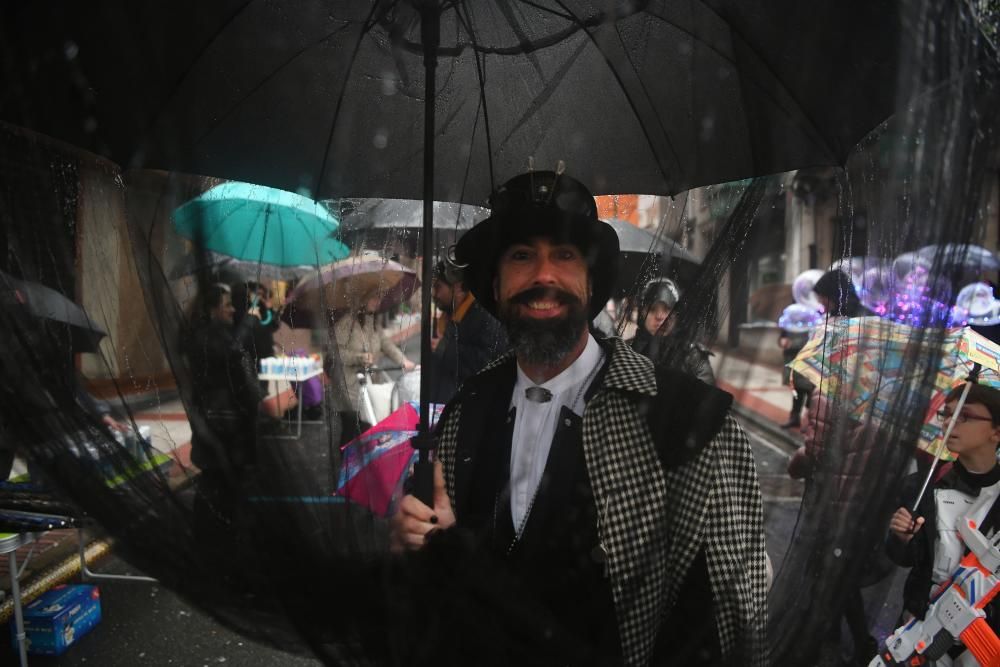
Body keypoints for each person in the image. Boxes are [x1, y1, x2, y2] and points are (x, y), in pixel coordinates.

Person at [390, 171, 767, 665]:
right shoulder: (468, 414)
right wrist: (421, 546)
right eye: (522, 256)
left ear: (591, 285)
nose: (544, 276)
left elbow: (740, 618)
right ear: (497, 286)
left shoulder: (692, 424)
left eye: (565, 255)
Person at [886, 382, 1000, 664]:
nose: (950, 422)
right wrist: (902, 538)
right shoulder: (922, 485)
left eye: (965, 416)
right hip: (919, 628)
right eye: (947, 414)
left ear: (997, 431)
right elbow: (905, 559)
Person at [332, 290, 415, 441]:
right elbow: (337, 353)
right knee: (352, 429)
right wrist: (359, 358)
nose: (377, 301)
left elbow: (386, 343)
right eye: (373, 297)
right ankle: (347, 462)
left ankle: (365, 462)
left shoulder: (373, 322)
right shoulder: (345, 323)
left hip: (368, 385)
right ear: (362, 299)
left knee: (367, 428)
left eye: (379, 297)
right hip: (348, 386)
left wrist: (403, 360)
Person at [429, 259, 509, 403]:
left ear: (458, 288)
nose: (434, 294)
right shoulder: (452, 315)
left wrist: (444, 348)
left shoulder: (484, 316)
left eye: (438, 287)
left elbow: (487, 363)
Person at [630, 277, 715, 385]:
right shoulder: (629, 349)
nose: (660, 317)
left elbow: (707, 396)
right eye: (652, 309)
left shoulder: (692, 356)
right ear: (642, 314)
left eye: (667, 309)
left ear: (677, 314)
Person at [778, 324, 811, 428]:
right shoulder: (791, 322)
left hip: (807, 364)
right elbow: (782, 336)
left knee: (811, 394)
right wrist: (782, 340)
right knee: (797, 391)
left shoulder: (814, 324)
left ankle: (809, 422)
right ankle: (795, 418)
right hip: (793, 363)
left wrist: (791, 344)